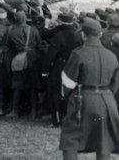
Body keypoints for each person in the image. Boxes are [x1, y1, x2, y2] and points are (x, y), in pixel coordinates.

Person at [60, 18, 119, 160]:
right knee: (103, 142)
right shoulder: (111, 56)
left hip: (82, 100)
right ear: (99, 35)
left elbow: (67, 83)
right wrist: (107, 95)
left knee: (70, 140)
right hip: (107, 101)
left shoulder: (78, 53)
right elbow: (116, 84)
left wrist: (67, 98)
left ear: (83, 35)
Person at [41, 12, 82, 127]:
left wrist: (45, 70)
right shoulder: (78, 36)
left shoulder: (58, 36)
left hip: (59, 66)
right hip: (73, 67)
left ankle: (56, 120)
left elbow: (50, 55)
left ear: (61, 22)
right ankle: (70, 118)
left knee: (55, 92)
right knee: (71, 93)